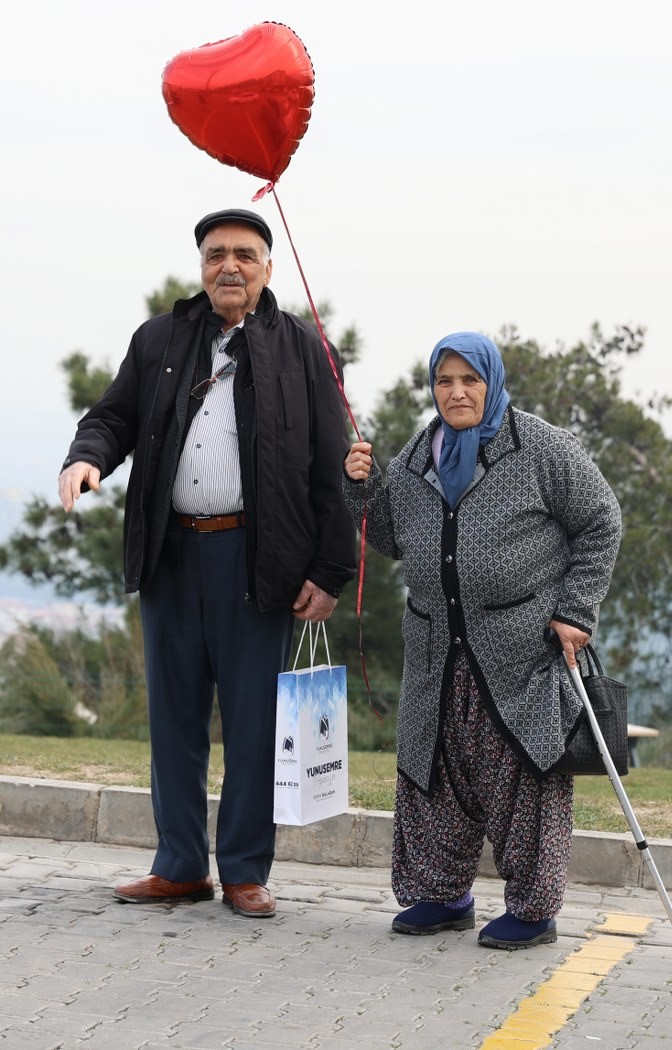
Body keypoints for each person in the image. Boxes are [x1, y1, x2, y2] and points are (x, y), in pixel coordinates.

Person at [59, 208, 356, 917]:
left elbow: (331, 468)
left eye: (245, 255)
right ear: (200, 265)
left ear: (267, 269)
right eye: (217, 254)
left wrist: (331, 568)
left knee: (255, 724)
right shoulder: (161, 338)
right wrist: (86, 458)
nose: (230, 266)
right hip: (171, 553)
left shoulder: (302, 349)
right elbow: (114, 417)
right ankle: (180, 865)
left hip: (259, 560)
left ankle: (246, 871)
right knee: (175, 720)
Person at [343, 332, 621, 949]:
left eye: (470, 379)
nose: (457, 392)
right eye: (445, 380)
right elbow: (395, 541)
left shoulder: (543, 448)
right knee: (436, 772)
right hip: (436, 648)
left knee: (523, 776)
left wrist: (576, 610)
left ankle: (533, 908)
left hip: (520, 648)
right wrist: (363, 490)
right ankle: (441, 895)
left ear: (491, 382)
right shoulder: (417, 455)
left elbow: (602, 520)